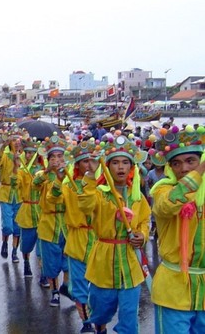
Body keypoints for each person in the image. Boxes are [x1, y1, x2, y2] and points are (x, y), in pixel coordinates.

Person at [78, 135, 150, 334]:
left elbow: (145, 220)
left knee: (129, 319)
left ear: (131, 167)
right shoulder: (99, 193)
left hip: (130, 262)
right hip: (104, 261)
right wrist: (91, 177)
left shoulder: (137, 195)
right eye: (116, 162)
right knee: (100, 311)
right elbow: (84, 205)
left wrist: (142, 236)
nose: (120, 167)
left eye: (125, 162)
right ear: (108, 167)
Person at [150, 126, 205, 333]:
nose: (184, 168)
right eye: (176, 163)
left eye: (191, 161)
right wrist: (199, 171)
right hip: (173, 289)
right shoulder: (163, 190)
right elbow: (168, 205)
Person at [50, 139, 97, 333]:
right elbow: (53, 198)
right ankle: (86, 323)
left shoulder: (100, 185)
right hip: (77, 237)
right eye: (84, 162)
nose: (88, 165)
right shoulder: (68, 185)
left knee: (97, 286)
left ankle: (97, 321)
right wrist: (59, 180)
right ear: (77, 164)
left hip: (97, 238)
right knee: (79, 285)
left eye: (91, 161)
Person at [36, 135, 70, 307]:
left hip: (67, 222)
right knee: (50, 261)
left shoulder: (69, 176)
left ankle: (65, 286)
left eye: (60, 157)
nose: (57, 160)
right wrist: (48, 171)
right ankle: (55, 291)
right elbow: (35, 184)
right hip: (48, 223)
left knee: (68, 259)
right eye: (53, 157)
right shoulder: (43, 175)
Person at [14, 138, 43, 277]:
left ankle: (43, 273)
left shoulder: (43, 170)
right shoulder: (22, 170)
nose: (28, 156)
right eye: (26, 153)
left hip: (42, 211)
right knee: (26, 242)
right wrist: (15, 168)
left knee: (43, 245)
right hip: (27, 209)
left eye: (31, 153)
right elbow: (16, 184)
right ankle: (26, 263)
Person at [0, 134, 22, 261]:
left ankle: (14, 251)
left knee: (17, 227)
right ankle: (4, 242)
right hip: (5, 193)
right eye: (14, 140)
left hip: (20, 195)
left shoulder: (24, 158)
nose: (16, 143)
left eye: (18, 141)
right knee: (7, 226)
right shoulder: (5, 156)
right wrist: (1, 149)